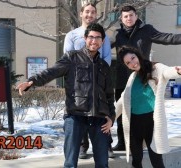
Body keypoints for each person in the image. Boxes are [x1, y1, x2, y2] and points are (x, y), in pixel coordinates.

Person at [16, 23, 115, 168]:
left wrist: (111, 118)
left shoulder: (104, 66)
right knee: (70, 163)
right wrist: (31, 81)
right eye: (91, 37)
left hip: (99, 119)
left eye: (98, 38)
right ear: (85, 38)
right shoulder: (72, 58)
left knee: (102, 163)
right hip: (75, 116)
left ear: (103, 41)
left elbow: (109, 96)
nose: (94, 41)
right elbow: (51, 72)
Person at [112, 5, 181, 151]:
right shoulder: (117, 34)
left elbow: (166, 37)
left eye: (131, 15)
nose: (128, 18)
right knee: (122, 111)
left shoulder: (146, 30)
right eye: (125, 16)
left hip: (142, 78)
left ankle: (146, 140)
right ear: (121, 19)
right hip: (122, 79)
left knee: (144, 111)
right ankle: (123, 142)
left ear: (136, 16)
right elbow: (102, 45)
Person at [115, 45, 181, 168]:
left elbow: (167, 71)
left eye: (133, 58)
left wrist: (177, 71)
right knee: (136, 160)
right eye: (128, 63)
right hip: (134, 124)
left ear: (138, 55)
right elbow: (122, 100)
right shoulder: (132, 77)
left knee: (156, 161)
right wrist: (111, 117)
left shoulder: (155, 68)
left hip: (152, 123)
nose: (133, 63)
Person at [63, 2, 114, 159]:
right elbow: (68, 57)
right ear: (81, 14)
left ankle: (107, 145)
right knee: (80, 112)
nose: (90, 15)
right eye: (87, 12)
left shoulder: (101, 35)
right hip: (79, 81)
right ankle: (82, 146)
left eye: (93, 12)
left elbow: (106, 57)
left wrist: (99, 73)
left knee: (100, 112)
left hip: (98, 78)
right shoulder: (72, 35)